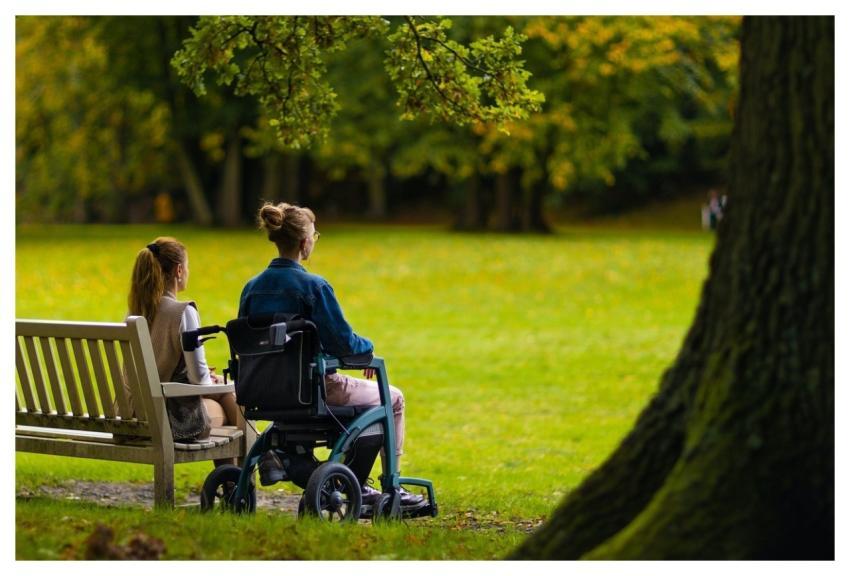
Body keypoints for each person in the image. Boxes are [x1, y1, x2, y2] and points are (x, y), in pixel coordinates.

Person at [239, 201, 425, 510]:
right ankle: (391, 485)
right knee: (393, 398)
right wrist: (368, 351)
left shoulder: (251, 289)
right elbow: (344, 343)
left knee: (369, 399)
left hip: (264, 390)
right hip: (314, 389)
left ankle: (297, 462)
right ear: (304, 242)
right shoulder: (314, 286)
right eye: (315, 235)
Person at [126, 237, 240, 447]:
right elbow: (199, 380)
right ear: (179, 271)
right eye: (187, 267)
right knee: (230, 401)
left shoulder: (134, 313)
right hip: (167, 421)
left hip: (130, 417)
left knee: (222, 394)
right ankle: (249, 468)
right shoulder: (182, 312)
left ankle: (233, 477)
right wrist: (214, 382)